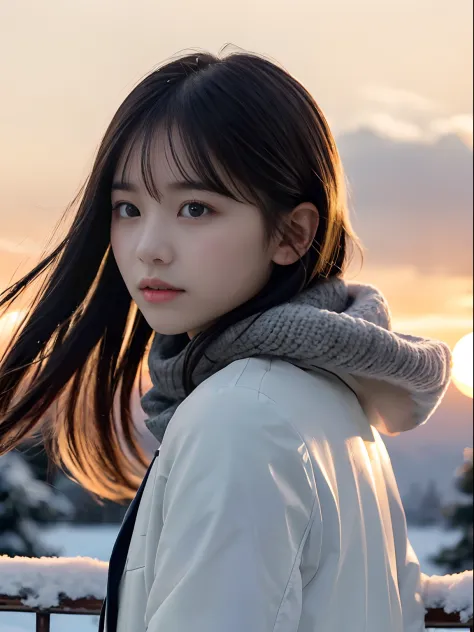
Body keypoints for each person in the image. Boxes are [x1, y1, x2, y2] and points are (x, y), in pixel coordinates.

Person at [0, 51, 451, 632]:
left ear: (291, 234)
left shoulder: (241, 418)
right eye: (128, 208)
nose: (149, 247)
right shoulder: (337, 407)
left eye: (195, 208)